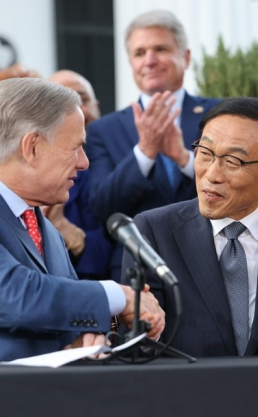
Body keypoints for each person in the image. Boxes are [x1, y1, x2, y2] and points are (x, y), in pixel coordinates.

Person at [0, 78, 165, 362]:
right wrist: (120, 296)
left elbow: (59, 313)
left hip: (47, 396)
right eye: (75, 147)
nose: (84, 162)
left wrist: (115, 323)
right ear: (32, 147)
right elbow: (15, 297)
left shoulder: (44, 226)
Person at [122, 97, 258, 357]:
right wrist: (147, 332)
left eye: (233, 161)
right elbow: (134, 346)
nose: (212, 174)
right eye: (205, 154)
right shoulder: (153, 231)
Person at [85, 10, 221, 280]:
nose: (149, 60)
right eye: (139, 53)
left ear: (186, 57)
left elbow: (240, 183)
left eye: (160, 49)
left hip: (213, 264)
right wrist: (144, 154)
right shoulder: (104, 129)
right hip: (136, 271)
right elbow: (101, 207)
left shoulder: (221, 115)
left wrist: (184, 160)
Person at [46, 70, 111, 279]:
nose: (75, 110)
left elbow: (113, 253)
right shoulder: (14, 173)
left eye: (81, 99)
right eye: (61, 99)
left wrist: (71, 234)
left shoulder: (112, 171)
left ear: (96, 107)